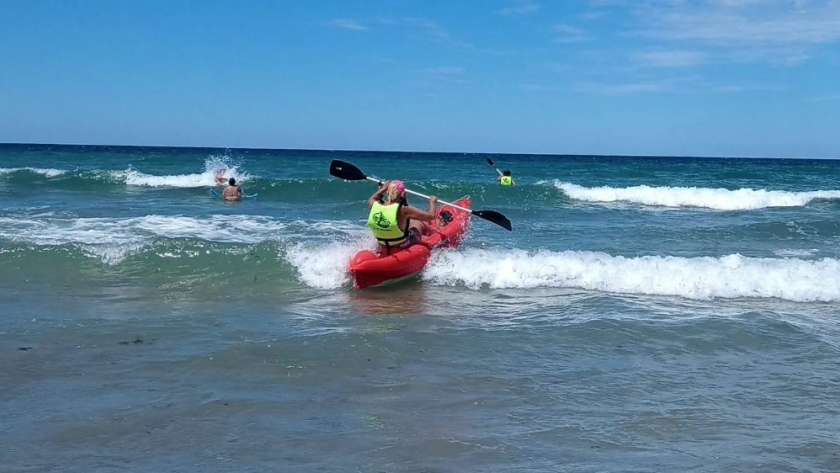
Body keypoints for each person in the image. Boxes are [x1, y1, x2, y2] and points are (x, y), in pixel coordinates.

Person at [367, 180, 437, 254]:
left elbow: (373, 198)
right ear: (403, 194)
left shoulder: (374, 204)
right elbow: (432, 216)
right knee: (417, 222)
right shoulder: (404, 210)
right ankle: (434, 233)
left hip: (383, 243)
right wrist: (433, 202)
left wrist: (383, 188)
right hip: (401, 245)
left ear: (387, 192)